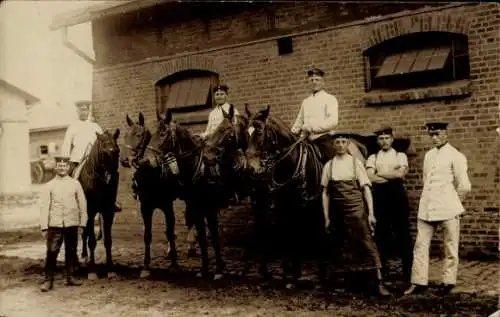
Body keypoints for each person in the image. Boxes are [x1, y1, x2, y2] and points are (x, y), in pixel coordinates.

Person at [404, 122, 471, 296]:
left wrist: (453, 202)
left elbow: (464, 186)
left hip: (448, 207)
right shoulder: (429, 155)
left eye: (438, 134)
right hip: (427, 206)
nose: (434, 138)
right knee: (420, 245)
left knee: (450, 245)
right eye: (431, 134)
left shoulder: (456, 156)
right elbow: (427, 180)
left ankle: (448, 281)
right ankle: (418, 282)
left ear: (446, 134)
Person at [321, 133, 391, 297]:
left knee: (366, 243)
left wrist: (371, 214)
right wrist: (327, 217)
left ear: (348, 144)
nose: (340, 145)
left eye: (343, 142)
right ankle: (347, 282)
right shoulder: (328, 166)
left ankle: (378, 283)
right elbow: (325, 193)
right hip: (338, 211)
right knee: (342, 244)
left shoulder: (356, 163)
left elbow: (366, 189)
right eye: (337, 142)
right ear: (333, 145)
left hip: (356, 209)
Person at [366, 126, 413, 282]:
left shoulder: (400, 156)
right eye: (381, 138)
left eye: (387, 138)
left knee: (403, 233)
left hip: (397, 196)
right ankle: (383, 270)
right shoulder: (373, 157)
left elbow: (400, 175)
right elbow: (369, 177)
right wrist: (390, 175)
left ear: (392, 139)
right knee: (381, 234)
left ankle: (407, 270)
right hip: (380, 197)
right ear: (377, 141)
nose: (384, 141)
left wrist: (380, 174)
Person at [61, 101, 121, 212]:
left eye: (86, 110)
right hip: (77, 160)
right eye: (81, 110)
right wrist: (65, 160)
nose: (84, 112)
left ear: (88, 111)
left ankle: (111, 201)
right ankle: (68, 203)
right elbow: (66, 145)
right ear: (77, 111)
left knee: (112, 175)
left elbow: (103, 141)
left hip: (95, 160)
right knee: (68, 178)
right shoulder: (72, 127)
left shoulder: (95, 126)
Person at [39, 156, 87, 292]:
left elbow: (83, 205)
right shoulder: (49, 185)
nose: (62, 168)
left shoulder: (75, 184)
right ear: (56, 168)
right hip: (55, 225)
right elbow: (44, 207)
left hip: (72, 224)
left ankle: (70, 277)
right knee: (52, 252)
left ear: (68, 167)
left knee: (71, 251)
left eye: (64, 166)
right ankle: (48, 281)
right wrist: (44, 227)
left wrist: (82, 224)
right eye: (59, 166)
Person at [291, 68, 339, 163]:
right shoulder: (305, 101)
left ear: (323, 82)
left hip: (323, 138)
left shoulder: (330, 99)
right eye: (311, 80)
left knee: (330, 160)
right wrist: (291, 134)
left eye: (317, 80)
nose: (314, 82)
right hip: (306, 139)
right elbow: (299, 121)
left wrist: (312, 128)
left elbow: (333, 121)